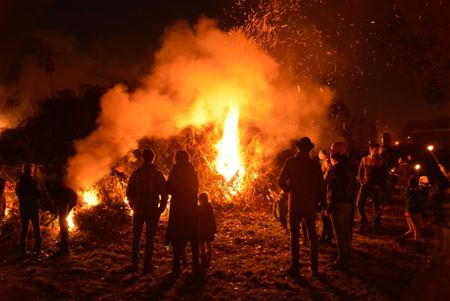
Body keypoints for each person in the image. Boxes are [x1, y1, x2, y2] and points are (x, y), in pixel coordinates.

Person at [278, 137, 324, 277]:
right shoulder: (315, 165)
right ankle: (314, 267)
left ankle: (295, 266)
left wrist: (289, 190)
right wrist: (317, 201)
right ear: (309, 149)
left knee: (294, 235)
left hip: (295, 204)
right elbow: (321, 187)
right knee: (313, 236)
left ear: (298, 148)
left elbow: (281, 181)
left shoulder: (291, 162)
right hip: (309, 204)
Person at [126, 149, 168, 273]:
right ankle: (147, 265)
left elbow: (129, 192)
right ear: (153, 158)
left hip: (139, 209)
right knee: (150, 238)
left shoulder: (136, 174)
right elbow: (164, 193)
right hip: (152, 210)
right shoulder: (158, 174)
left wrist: (133, 205)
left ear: (143, 158)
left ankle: (134, 265)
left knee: (136, 237)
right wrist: (161, 207)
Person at [166, 150, 200, 275]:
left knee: (177, 236)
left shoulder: (175, 171)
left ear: (177, 159)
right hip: (191, 206)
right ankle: (196, 264)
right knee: (193, 235)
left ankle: (176, 267)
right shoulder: (193, 171)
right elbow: (196, 188)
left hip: (178, 207)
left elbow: (168, 188)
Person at [326, 142, 354, 268]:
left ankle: (342, 258)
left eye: (332, 150)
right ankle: (348, 254)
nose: (330, 152)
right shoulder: (350, 164)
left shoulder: (338, 168)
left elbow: (334, 189)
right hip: (349, 202)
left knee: (340, 233)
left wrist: (329, 206)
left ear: (340, 151)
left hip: (338, 204)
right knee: (347, 232)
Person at [356, 142, 388, 232]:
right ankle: (364, 222)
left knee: (376, 207)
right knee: (359, 204)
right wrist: (361, 182)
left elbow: (385, 175)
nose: (377, 152)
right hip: (365, 186)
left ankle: (376, 226)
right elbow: (360, 173)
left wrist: (379, 185)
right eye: (376, 150)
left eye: (378, 150)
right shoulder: (364, 159)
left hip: (375, 188)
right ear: (371, 149)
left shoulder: (381, 162)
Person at [15, 163, 42, 257]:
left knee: (24, 230)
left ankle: (23, 252)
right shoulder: (33, 182)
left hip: (23, 209)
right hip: (33, 209)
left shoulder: (20, 183)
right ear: (31, 170)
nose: (32, 171)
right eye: (32, 169)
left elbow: (17, 193)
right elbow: (39, 195)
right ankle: (38, 252)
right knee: (37, 230)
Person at [46, 178, 77, 254]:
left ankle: (64, 247)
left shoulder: (55, 191)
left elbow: (57, 201)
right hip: (68, 200)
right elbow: (56, 203)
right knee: (63, 221)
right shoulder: (56, 190)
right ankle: (64, 246)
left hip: (68, 200)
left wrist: (67, 211)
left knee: (63, 223)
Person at [396, 176, 423, 247]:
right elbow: (416, 199)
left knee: (412, 229)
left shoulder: (410, 191)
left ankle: (400, 239)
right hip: (413, 211)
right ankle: (417, 246)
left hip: (409, 211)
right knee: (417, 228)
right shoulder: (412, 192)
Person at [318, 149, 333, 243]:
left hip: (328, 192)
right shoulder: (324, 162)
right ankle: (326, 235)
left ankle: (328, 236)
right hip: (325, 192)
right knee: (325, 216)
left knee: (327, 216)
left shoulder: (330, 163)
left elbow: (327, 177)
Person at [197, 192, 217, 266]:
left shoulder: (200, 208)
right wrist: (214, 228)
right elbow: (212, 218)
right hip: (208, 228)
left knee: (202, 243)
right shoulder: (209, 206)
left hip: (202, 228)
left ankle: (203, 257)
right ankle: (208, 256)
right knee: (208, 242)